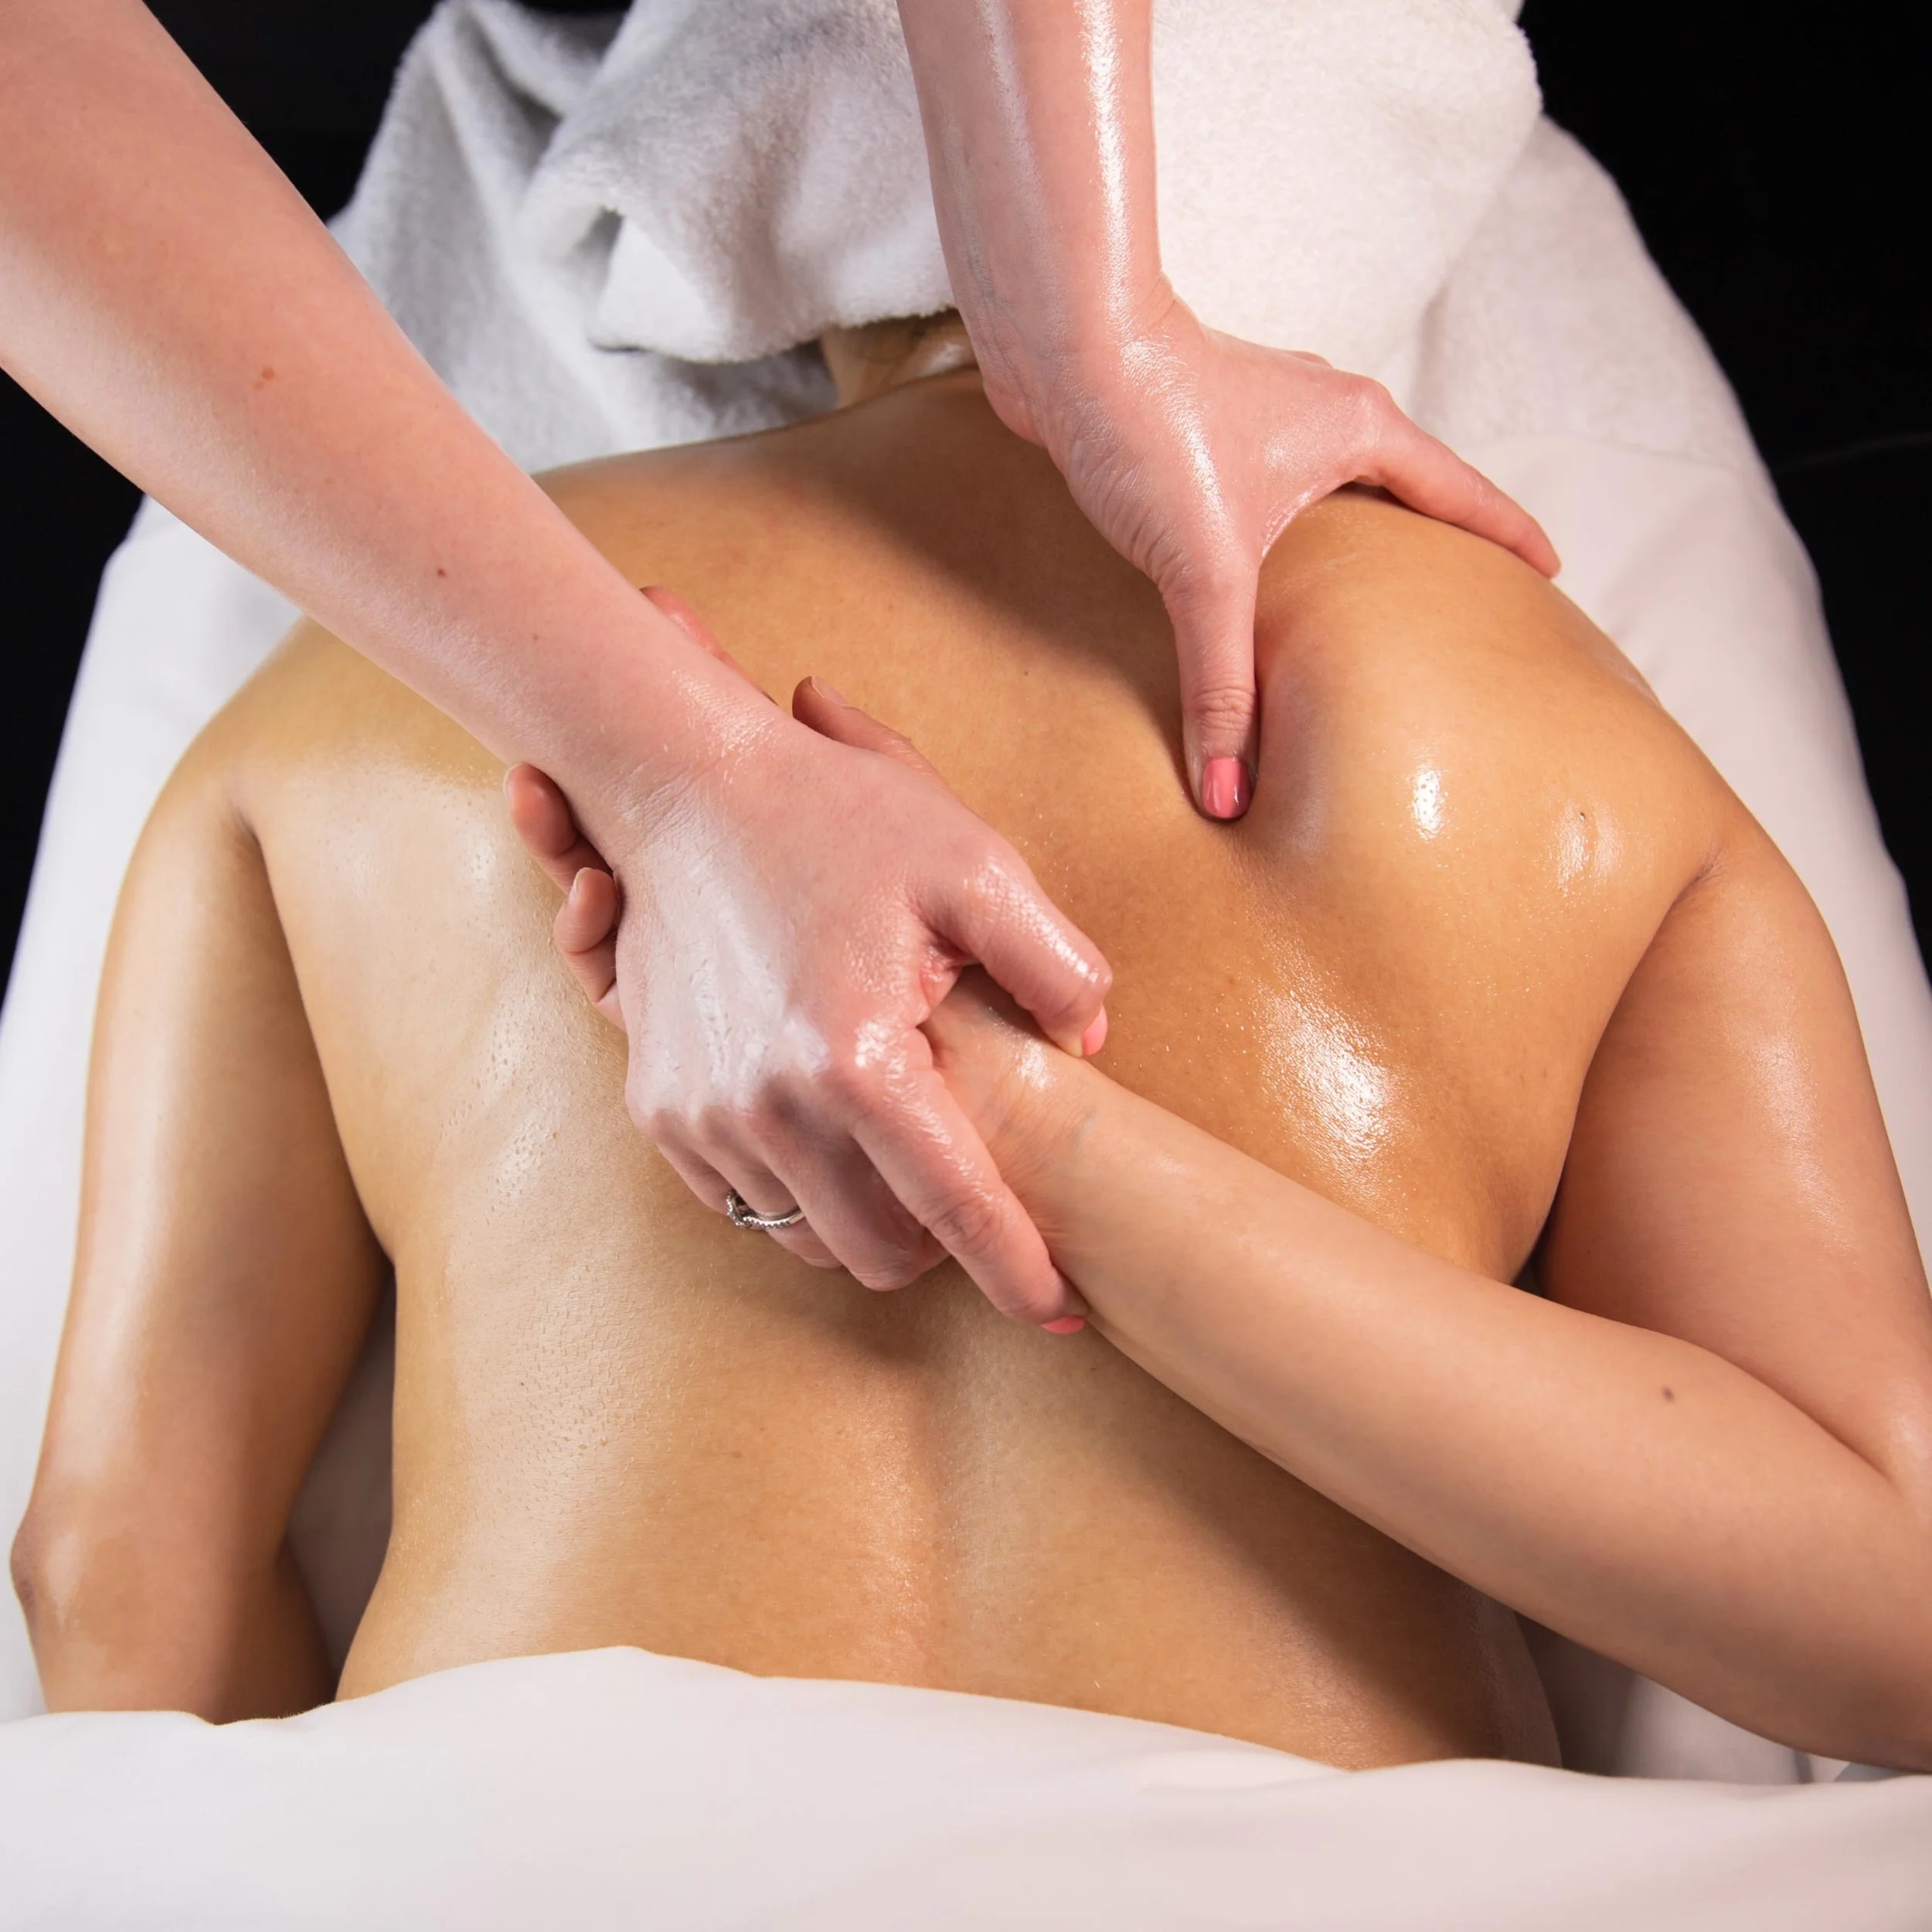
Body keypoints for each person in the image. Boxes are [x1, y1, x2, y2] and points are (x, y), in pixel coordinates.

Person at [15, 322, 1931, 1771]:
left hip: (513, 1857)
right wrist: (1037, 1125)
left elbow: (113, 1578)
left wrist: (968, 1094)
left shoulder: (361, 685)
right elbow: (1898, 1617)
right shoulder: (1541, 706)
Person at [0, 1, 1555, 1325]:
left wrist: (1091, 328)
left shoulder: (295, 752)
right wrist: (677, 771)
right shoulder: (1540, 726)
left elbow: (95, 1566)